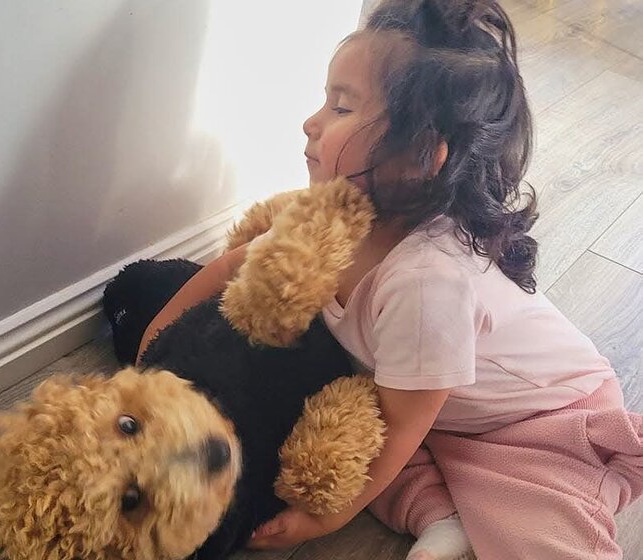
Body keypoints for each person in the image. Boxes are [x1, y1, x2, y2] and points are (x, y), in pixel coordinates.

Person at [136, 1, 643, 558]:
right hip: (431, 404)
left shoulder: (426, 281)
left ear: (419, 157)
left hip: (539, 414)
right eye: (325, 101)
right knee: (345, 445)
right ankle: (443, 518)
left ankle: (513, 500)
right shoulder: (327, 217)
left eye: (341, 107)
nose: (311, 123)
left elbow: (401, 428)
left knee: (531, 528)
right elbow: (232, 268)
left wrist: (324, 518)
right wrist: (156, 343)